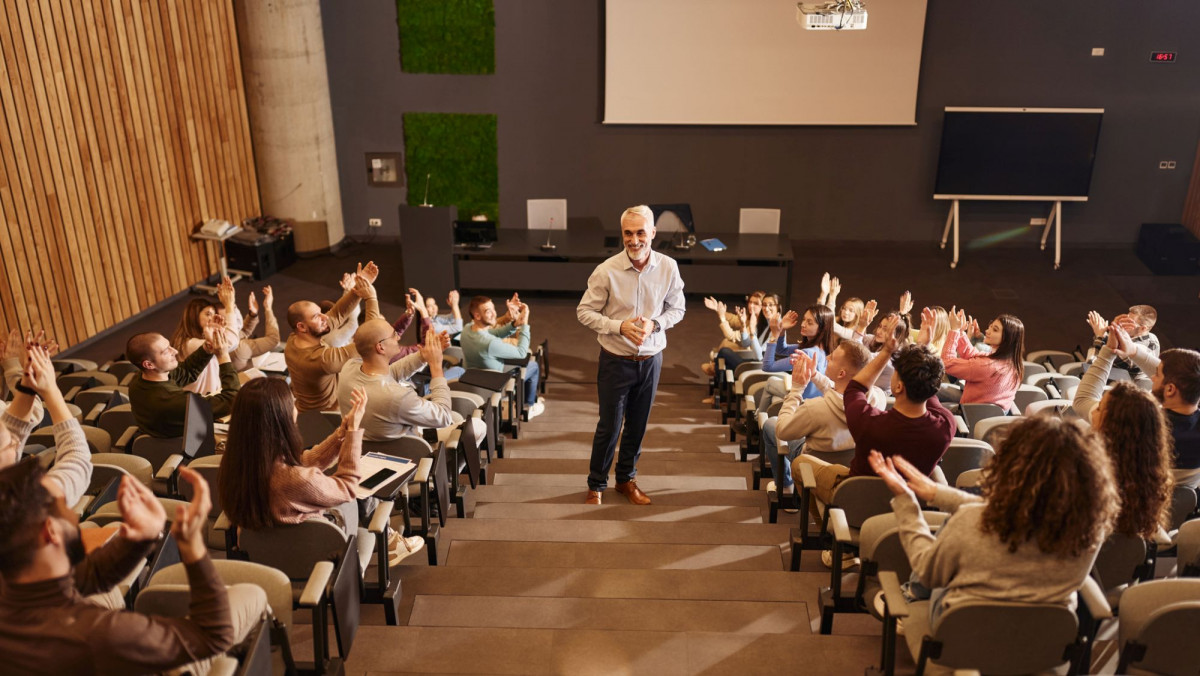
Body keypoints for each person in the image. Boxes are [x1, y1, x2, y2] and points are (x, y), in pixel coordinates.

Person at [0, 460, 268, 674]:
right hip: (143, 660)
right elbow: (213, 635)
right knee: (253, 594)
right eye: (64, 504)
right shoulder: (98, 635)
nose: (73, 512)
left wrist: (142, 537)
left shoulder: (15, 584)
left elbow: (85, 577)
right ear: (50, 532)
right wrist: (193, 547)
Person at [869, 413, 1119, 627]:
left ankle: (906, 599)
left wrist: (906, 502)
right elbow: (1013, 514)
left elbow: (927, 571)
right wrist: (938, 494)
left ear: (1012, 466)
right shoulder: (1090, 531)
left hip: (966, 634)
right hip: (1042, 642)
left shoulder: (971, 521)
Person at [794, 315, 955, 563]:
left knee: (800, 464)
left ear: (898, 387)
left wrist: (887, 351)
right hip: (907, 507)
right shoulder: (945, 426)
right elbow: (929, 389)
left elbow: (856, 387)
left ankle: (838, 542)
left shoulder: (868, 423)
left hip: (856, 502)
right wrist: (923, 348)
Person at [218, 377, 426, 565]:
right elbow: (348, 486)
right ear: (280, 418)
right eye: (292, 404)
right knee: (359, 497)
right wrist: (353, 433)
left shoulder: (239, 464)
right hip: (314, 553)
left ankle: (390, 541)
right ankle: (387, 543)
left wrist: (341, 434)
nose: (296, 408)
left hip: (264, 555)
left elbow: (303, 461)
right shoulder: (295, 479)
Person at [577, 205, 685, 506]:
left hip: (651, 362)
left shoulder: (668, 267)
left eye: (640, 232)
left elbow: (678, 308)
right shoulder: (606, 270)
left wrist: (657, 323)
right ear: (621, 234)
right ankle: (596, 484)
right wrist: (618, 326)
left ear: (652, 233)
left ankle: (626, 480)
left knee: (637, 426)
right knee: (609, 426)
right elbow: (584, 311)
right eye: (628, 233)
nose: (634, 240)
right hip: (615, 360)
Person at [1075, 323, 1200, 489]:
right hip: (1179, 513)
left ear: (1170, 389)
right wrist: (1133, 350)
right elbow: (1187, 375)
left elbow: (1083, 400)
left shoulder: (1134, 423)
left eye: (1157, 374)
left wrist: (1108, 351)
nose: (1152, 377)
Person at [763, 341, 886, 504]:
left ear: (841, 373)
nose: (827, 357)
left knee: (771, 424)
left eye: (832, 358)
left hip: (813, 464)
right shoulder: (879, 398)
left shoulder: (814, 408)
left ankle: (786, 485)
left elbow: (783, 431)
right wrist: (814, 375)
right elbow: (843, 395)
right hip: (851, 466)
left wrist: (797, 390)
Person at [337, 322, 460, 442]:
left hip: (364, 451)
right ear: (380, 347)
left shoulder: (349, 368)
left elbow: (387, 376)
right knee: (474, 426)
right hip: (413, 453)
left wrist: (423, 356)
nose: (398, 337)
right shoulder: (397, 396)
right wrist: (436, 365)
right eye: (393, 335)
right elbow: (444, 416)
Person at [0, 345, 91, 507]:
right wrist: (51, 390)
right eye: (9, 444)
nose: (16, 442)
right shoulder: (28, 504)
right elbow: (77, 458)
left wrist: (27, 385)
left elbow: (12, 430)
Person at [285, 262, 381, 411]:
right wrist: (371, 298)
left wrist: (358, 289)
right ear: (301, 326)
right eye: (317, 316)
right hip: (327, 415)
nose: (324, 317)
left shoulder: (294, 338)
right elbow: (368, 342)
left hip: (306, 409)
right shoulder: (322, 359)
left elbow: (336, 315)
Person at [126, 327, 240, 438]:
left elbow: (186, 372)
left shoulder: (139, 379)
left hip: (160, 445)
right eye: (166, 352)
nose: (174, 351)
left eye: (170, 346)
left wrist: (207, 348)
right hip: (188, 450)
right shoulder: (173, 400)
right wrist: (223, 356)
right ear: (149, 365)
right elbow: (233, 400)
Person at [461, 294, 544, 419]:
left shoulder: (467, 329)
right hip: (495, 383)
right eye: (489, 311)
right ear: (477, 315)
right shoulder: (490, 343)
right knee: (533, 366)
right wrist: (524, 324)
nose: (494, 314)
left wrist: (514, 324)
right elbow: (522, 353)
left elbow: (492, 332)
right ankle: (529, 407)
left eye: (493, 309)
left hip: (474, 379)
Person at [940, 308, 1025, 412]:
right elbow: (971, 354)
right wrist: (961, 331)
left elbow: (946, 363)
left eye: (995, 330)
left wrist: (954, 330)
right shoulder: (1011, 362)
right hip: (985, 414)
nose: (987, 331)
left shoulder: (986, 366)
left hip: (969, 415)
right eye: (990, 327)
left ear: (1007, 339)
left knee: (927, 397)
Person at [1085, 305, 1159, 385]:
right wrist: (1110, 333)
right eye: (1125, 319)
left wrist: (1099, 337)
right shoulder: (1152, 337)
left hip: (1115, 390)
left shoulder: (1130, 354)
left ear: (1143, 328)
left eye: (1129, 322)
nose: (1122, 323)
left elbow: (1090, 367)